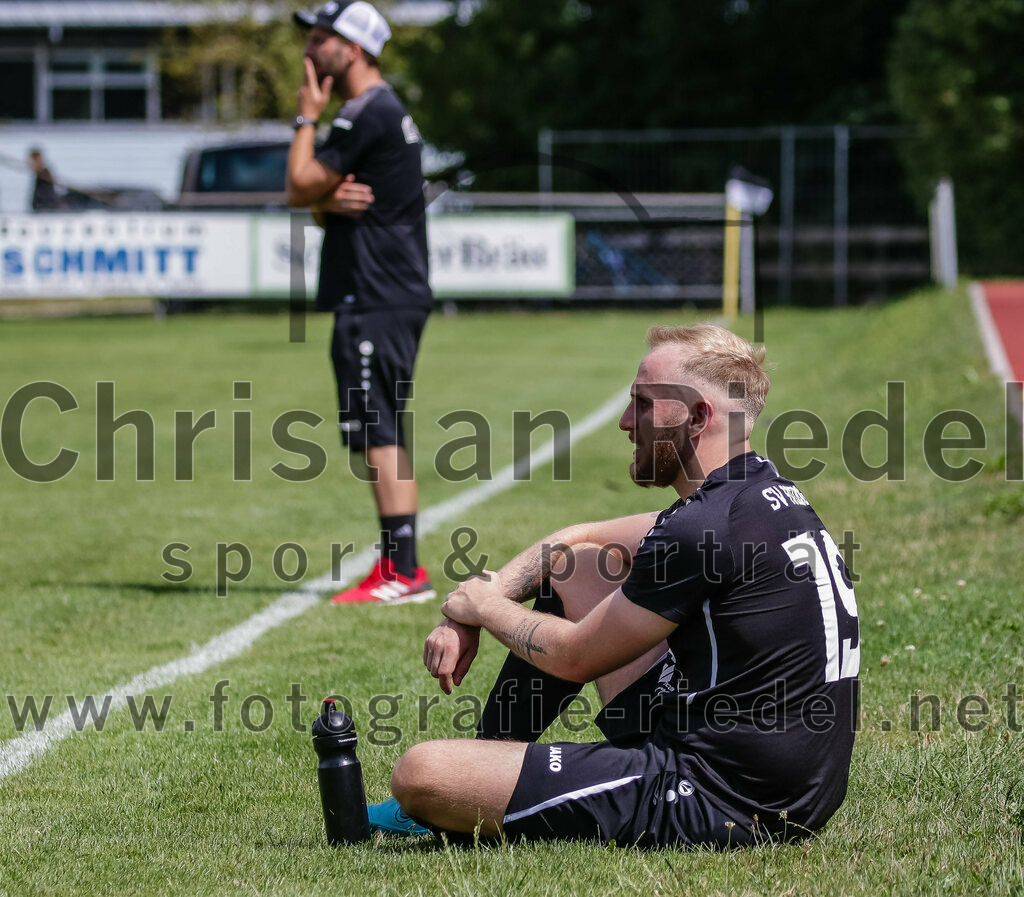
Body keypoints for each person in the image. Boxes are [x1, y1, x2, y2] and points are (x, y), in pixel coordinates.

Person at [372, 323, 860, 846]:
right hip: (780, 777)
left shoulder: (704, 530)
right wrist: (464, 611)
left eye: (643, 405)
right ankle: (491, 764)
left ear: (698, 417)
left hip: (727, 795)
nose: (627, 423)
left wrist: (486, 608)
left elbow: (574, 658)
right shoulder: (756, 489)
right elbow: (573, 541)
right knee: (581, 566)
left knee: (420, 774)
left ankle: (468, 792)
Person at [287, 1, 435, 605]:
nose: (311, 47)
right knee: (381, 428)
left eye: (322, 37)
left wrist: (304, 119)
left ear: (352, 49)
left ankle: (402, 572)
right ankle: (400, 568)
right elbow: (319, 200)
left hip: (376, 295)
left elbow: (298, 186)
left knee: (378, 430)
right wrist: (324, 202)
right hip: (381, 294)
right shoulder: (376, 110)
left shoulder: (366, 112)